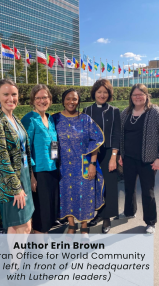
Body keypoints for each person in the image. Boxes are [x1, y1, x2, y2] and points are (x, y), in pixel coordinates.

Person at [52, 88, 104, 236]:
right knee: (67, 195)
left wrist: (93, 164)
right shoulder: (55, 119)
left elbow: (96, 140)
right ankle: (71, 226)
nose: (71, 102)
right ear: (63, 100)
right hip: (63, 166)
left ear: (78, 101)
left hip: (84, 165)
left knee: (86, 195)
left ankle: (85, 227)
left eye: (74, 99)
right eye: (68, 98)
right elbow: (51, 141)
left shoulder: (86, 119)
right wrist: (53, 160)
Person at [0, 79, 34, 234]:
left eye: (14, 94)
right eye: (5, 94)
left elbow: (24, 150)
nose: (10, 98)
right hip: (10, 182)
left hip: (23, 175)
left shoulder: (15, 119)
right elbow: (1, 159)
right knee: (23, 227)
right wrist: (16, 188)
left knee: (16, 226)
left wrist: (30, 175)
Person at [119, 84, 158, 234]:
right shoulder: (126, 113)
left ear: (146, 95)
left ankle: (150, 222)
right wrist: (121, 155)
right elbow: (121, 135)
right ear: (131, 97)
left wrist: (158, 158)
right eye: (134, 95)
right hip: (128, 158)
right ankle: (129, 211)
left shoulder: (154, 112)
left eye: (140, 94)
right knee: (129, 188)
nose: (137, 97)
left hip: (148, 159)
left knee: (148, 192)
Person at [83, 79, 121, 233]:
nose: (102, 95)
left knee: (109, 186)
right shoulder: (87, 111)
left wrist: (114, 156)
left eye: (105, 92)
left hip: (108, 153)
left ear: (109, 94)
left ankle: (106, 218)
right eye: (99, 92)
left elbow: (117, 134)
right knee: (92, 185)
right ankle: (97, 214)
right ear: (94, 93)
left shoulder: (114, 111)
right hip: (91, 153)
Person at [21, 84, 59, 234]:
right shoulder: (29, 119)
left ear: (50, 99)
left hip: (52, 170)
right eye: (38, 98)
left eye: (45, 97)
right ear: (33, 100)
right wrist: (30, 176)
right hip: (38, 173)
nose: (42, 101)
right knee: (40, 215)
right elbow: (24, 149)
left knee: (49, 211)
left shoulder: (50, 119)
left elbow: (54, 144)